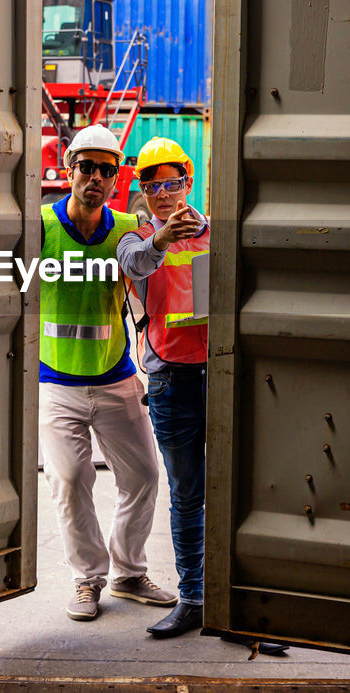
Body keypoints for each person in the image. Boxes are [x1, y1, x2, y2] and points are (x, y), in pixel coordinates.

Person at [38, 124, 177, 621]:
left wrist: (161, 236)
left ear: (114, 180)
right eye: (86, 167)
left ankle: (128, 572)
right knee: (70, 479)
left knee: (142, 475)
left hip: (116, 377)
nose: (94, 177)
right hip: (55, 383)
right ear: (69, 170)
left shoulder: (124, 230)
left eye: (105, 169)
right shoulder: (41, 229)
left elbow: (143, 262)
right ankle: (87, 578)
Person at [116, 137, 210, 638]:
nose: (163, 194)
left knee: (233, 490)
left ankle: (237, 601)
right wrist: (163, 239)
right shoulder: (136, 241)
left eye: (172, 183)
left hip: (219, 373)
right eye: (152, 186)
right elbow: (135, 266)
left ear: (188, 183)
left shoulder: (218, 234)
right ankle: (193, 598)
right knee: (187, 493)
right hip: (170, 381)